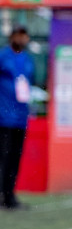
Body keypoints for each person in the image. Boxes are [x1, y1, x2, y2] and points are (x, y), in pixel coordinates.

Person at [0, 25, 34, 210]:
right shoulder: (3, 56)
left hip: (21, 118)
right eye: (18, 35)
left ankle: (9, 196)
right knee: (2, 159)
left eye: (24, 36)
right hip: (3, 117)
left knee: (14, 159)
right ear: (12, 36)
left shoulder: (28, 60)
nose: (22, 39)